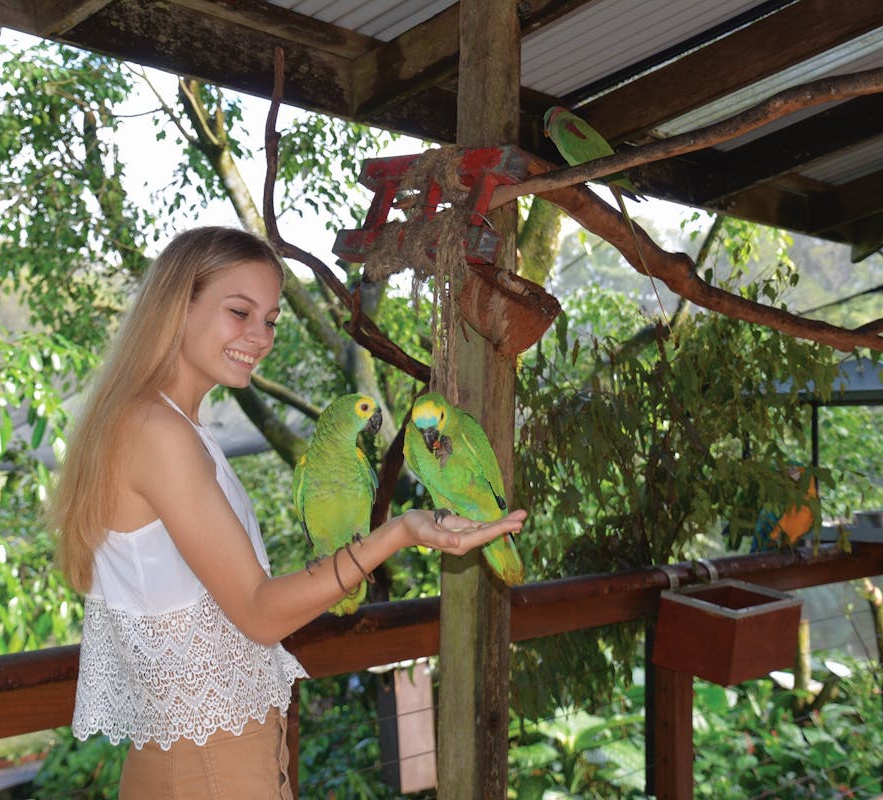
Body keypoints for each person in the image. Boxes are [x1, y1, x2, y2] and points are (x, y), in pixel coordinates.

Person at [48, 226, 527, 799]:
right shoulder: (156, 431)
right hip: (208, 769)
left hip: (210, 757)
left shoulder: (169, 424)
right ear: (178, 307)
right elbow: (259, 612)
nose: (261, 335)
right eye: (239, 312)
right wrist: (400, 532)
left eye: (270, 319)